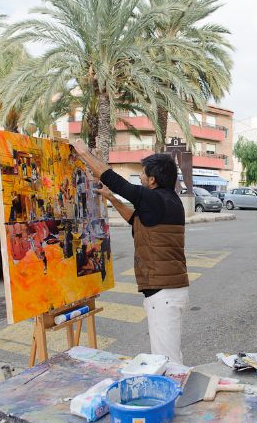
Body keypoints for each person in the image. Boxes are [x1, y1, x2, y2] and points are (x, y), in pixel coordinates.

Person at [72, 139, 189, 364]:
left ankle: (175, 396)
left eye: (143, 174)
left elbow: (117, 182)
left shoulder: (154, 198)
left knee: (168, 361)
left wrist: (84, 154)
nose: (141, 178)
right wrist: (111, 199)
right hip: (168, 291)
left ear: (152, 180)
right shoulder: (168, 201)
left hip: (164, 292)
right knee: (169, 355)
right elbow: (135, 220)